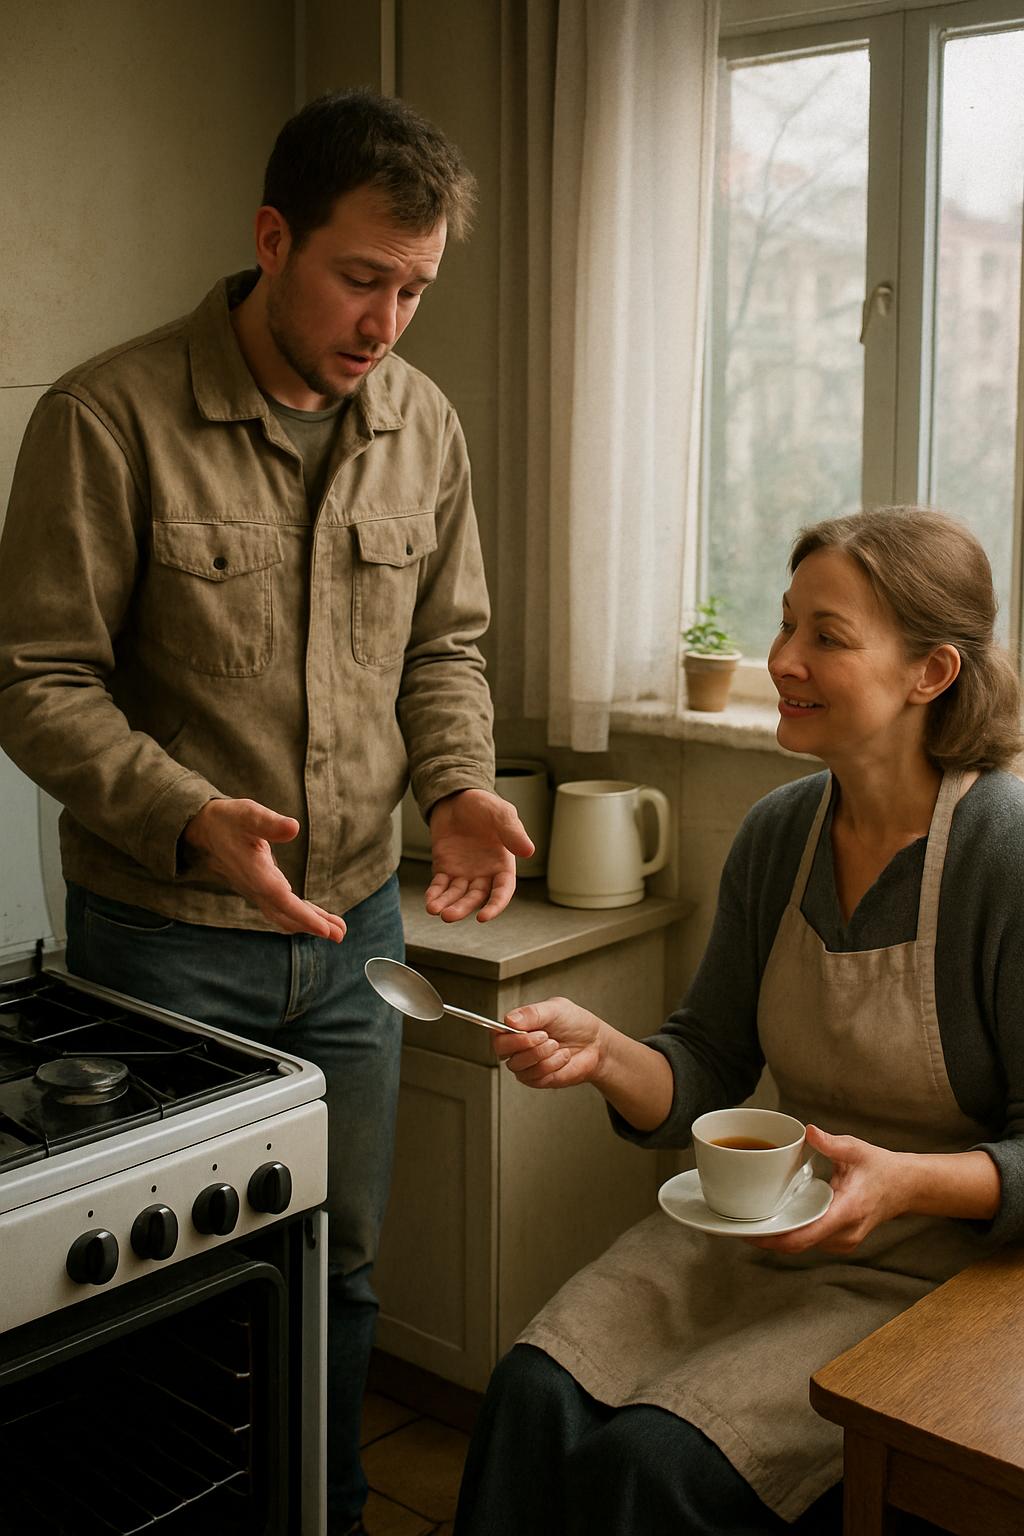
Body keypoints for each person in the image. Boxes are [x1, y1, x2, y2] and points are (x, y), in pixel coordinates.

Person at [0, 89, 532, 1536]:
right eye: (362, 278)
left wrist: (462, 787)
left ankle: (329, 1516)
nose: (388, 322)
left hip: (360, 936)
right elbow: (36, 681)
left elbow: (445, 649)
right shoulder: (106, 416)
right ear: (272, 237)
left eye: (416, 289)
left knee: (336, 1265)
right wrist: (187, 813)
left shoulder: (424, 424)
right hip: (167, 941)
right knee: (157, 1293)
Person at [453, 506, 1024, 1535]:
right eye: (785, 624)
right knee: (531, 1390)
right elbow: (708, 1063)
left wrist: (903, 1183)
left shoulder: (1004, 852)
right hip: (758, 1231)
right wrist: (605, 1053)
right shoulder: (779, 833)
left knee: (654, 1464)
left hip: (928, 1271)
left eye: (826, 637)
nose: (781, 659)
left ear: (928, 673)